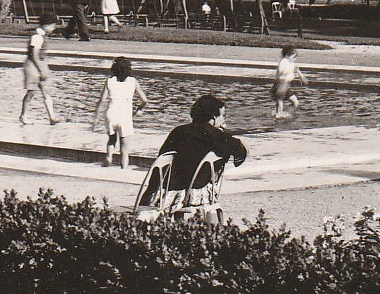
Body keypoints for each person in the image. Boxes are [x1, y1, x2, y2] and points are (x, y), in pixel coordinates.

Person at [140, 94, 248, 225]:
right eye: (223, 116)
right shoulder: (214, 135)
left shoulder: (178, 131)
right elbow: (240, 150)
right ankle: (214, 230)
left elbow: (161, 159)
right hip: (198, 193)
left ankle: (176, 224)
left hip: (162, 193)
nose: (224, 119)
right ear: (213, 118)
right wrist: (222, 133)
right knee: (208, 191)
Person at [94, 56, 148, 170]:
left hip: (111, 114)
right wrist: (139, 109)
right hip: (124, 116)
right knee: (124, 149)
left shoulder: (109, 80)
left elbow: (102, 100)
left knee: (111, 139)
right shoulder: (132, 81)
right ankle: (123, 170)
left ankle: (109, 157)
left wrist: (96, 118)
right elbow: (145, 100)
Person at [19, 14, 63, 126]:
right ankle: (23, 116)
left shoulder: (41, 35)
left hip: (39, 65)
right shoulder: (37, 37)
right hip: (32, 67)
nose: (53, 28)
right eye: (53, 26)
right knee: (31, 92)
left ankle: (52, 117)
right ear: (46, 25)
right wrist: (41, 70)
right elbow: (34, 55)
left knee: (46, 91)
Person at [272, 46, 308, 119]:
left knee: (296, 102)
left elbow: (297, 69)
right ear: (288, 55)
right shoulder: (284, 61)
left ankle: (284, 112)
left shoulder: (291, 62)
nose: (295, 59)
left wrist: (302, 77)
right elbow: (281, 71)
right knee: (280, 101)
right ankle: (279, 115)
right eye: (294, 57)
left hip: (287, 86)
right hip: (281, 84)